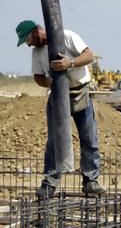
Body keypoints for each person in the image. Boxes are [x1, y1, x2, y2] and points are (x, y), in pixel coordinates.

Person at [15, 20, 106, 198]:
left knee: (89, 139)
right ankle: (49, 183)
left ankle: (91, 181)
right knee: (54, 142)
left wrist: (70, 63)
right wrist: (46, 81)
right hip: (57, 96)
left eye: (28, 39)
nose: (28, 44)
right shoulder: (37, 52)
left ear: (36, 31)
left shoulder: (67, 36)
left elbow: (89, 56)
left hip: (80, 94)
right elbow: (38, 77)